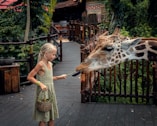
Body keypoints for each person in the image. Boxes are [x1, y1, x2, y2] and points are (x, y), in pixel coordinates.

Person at [27, 43, 67, 126]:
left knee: (51, 116)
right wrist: (40, 84)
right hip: (43, 92)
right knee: (43, 116)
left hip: (51, 91)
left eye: (55, 54)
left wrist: (60, 77)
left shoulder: (50, 64)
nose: (54, 56)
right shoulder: (40, 64)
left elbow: (48, 78)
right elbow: (30, 77)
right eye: (53, 54)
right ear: (46, 54)